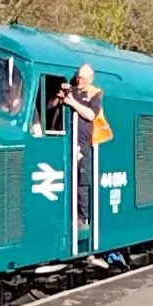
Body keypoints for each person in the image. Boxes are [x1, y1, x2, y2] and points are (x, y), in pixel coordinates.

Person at [49, 64, 104, 229]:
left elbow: (90, 115)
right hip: (67, 142)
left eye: (83, 79)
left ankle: (83, 218)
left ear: (90, 80)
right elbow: (49, 106)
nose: (79, 81)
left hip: (84, 145)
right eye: (78, 77)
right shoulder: (71, 90)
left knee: (82, 181)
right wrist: (60, 98)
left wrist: (72, 102)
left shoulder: (95, 94)